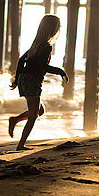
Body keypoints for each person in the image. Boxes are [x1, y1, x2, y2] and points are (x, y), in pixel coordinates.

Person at [9, 14, 68, 150]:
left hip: (25, 78)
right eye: (58, 26)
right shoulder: (46, 46)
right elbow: (42, 67)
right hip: (32, 80)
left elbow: (21, 60)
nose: (59, 28)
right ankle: (20, 145)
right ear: (53, 29)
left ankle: (15, 120)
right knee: (33, 115)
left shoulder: (36, 44)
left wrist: (17, 79)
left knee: (39, 111)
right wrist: (60, 71)